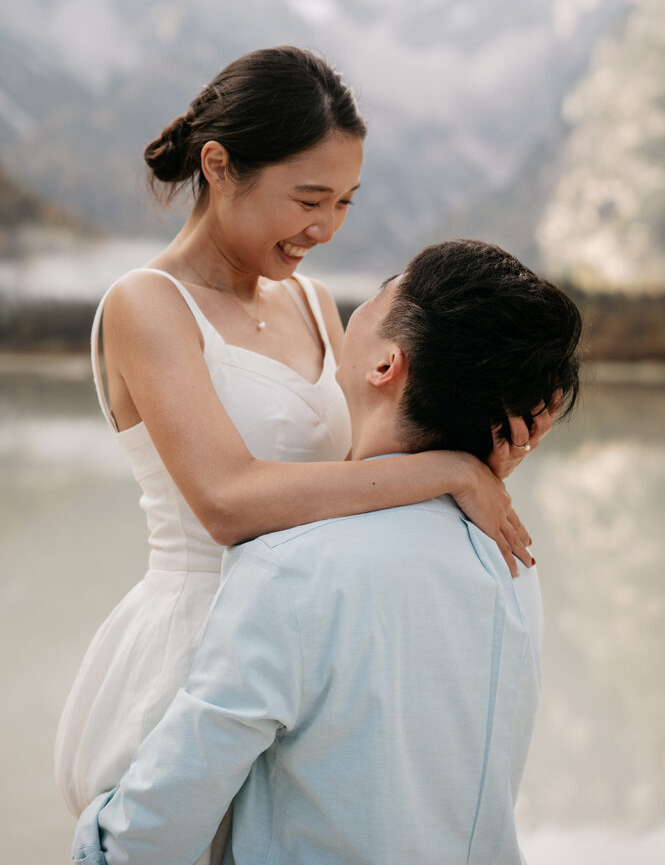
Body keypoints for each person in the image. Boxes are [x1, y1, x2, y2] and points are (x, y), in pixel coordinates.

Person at [55, 47, 549, 820]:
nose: (326, 227)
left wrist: (485, 455)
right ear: (219, 166)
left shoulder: (316, 303)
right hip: (194, 646)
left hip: (313, 646)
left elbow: (354, 478)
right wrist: (450, 472)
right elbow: (228, 501)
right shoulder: (146, 305)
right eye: (309, 198)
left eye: (346, 202)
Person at [71, 239, 582, 865]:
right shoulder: (510, 558)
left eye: (377, 295)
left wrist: (97, 837)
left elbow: (159, 825)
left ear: (386, 364)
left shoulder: (288, 569)